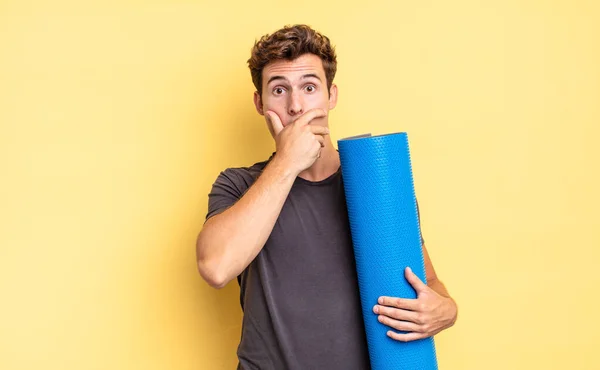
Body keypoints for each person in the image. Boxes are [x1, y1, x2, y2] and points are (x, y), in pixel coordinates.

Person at [196, 24, 458, 370]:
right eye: (279, 90)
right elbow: (215, 267)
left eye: (309, 87)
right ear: (260, 103)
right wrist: (288, 161)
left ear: (331, 96)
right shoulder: (239, 185)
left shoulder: (374, 184)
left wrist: (447, 310)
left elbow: (427, 281)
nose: (295, 106)